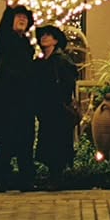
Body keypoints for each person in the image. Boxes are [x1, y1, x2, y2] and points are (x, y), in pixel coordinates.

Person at [0, 1, 37, 191]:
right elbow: (1, 31)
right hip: (7, 100)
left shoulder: (28, 45)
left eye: (25, 18)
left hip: (25, 100)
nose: (22, 19)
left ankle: (26, 180)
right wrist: (11, 6)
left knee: (26, 141)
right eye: (18, 17)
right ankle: (1, 179)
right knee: (5, 140)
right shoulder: (4, 41)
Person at [33, 23, 79, 188]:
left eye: (49, 35)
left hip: (58, 109)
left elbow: (68, 83)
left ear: (56, 40)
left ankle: (56, 177)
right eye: (42, 35)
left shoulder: (61, 60)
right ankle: (53, 176)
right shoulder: (43, 62)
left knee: (57, 143)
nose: (44, 37)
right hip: (47, 109)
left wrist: (60, 99)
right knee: (49, 142)